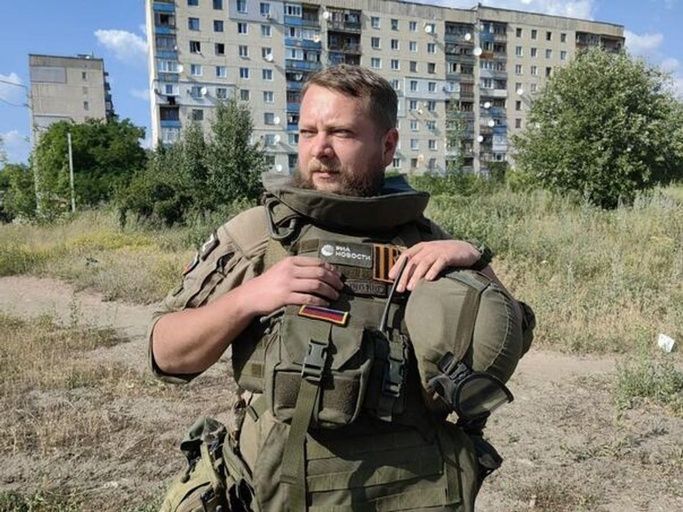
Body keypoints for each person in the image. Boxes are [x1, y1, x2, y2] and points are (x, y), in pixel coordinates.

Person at [150, 65, 533, 512]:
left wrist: (473, 258)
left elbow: (514, 338)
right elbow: (166, 354)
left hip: (416, 493)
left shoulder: (424, 242)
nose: (320, 149)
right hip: (287, 492)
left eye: (341, 133)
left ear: (387, 145)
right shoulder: (261, 236)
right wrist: (248, 298)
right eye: (307, 132)